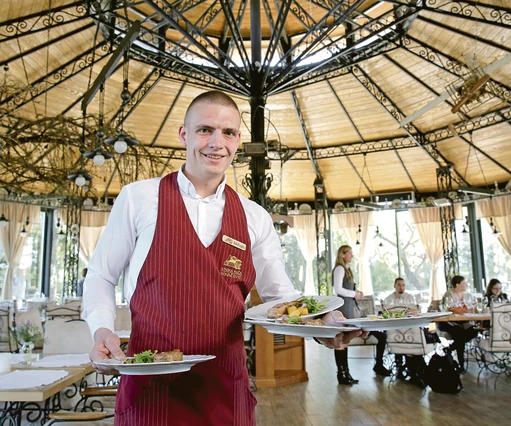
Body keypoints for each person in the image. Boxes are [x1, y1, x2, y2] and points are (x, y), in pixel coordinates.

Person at [82, 90, 366, 426]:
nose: (217, 142)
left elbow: (281, 298)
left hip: (225, 392)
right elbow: (101, 275)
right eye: (205, 130)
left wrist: (322, 325)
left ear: (238, 140)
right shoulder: (138, 198)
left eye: (228, 132)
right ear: (184, 134)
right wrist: (101, 330)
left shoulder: (254, 216)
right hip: (151, 391)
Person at [332, 245, 390, 382]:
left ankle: (345, 374)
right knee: (342, 338)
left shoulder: (347, 269)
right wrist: (355, 294)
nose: (352, 255)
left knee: (344, 338)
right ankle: (342, 374)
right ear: (343, 255)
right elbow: (338, 289)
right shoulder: (340, 269)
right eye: (350, 253)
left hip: (349, 305)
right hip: (344, 306)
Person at [439, 275, 479, 373]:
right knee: (460, 333)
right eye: (464, 283)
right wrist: (461, 310)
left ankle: (450, 348)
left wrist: (462, 310)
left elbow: (473, 307)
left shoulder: (467, 295)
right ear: (457, 285)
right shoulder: (448, 295)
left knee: (475, 330)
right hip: (449, 322)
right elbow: (450, 309)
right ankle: (461, 364)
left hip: (464, 322)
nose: (466, 285)